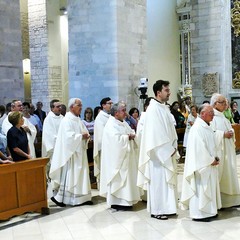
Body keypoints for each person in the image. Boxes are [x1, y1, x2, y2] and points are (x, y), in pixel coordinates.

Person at [138, 80, 179, 220]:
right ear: (158, 92)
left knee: (166, 182)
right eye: (166, 90)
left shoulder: (163, 107)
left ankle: (168, 207)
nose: (169, 92)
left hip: (168, 151)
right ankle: (158, 210)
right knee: (158, 182)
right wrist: (168, 149)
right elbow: (156, 134)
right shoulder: (153, 109)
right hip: (158, 155)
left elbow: (170, 129)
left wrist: (173, 146)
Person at [181, 104, 221, 222]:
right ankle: (200, 214)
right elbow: (198, 150)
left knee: (209, 188)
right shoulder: (197, 128)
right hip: (201, 166)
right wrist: (210, 160)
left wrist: (215, 157)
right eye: (210, 113)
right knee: (201, 188)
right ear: (202, 113)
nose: (213, 115)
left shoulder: (206, 126)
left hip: (210, 164)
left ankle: (209, 211)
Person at [49, 98, 92, 207]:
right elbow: (68, 138)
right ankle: (68, 199)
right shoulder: (67, 120)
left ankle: (84, 197)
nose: (81, 107)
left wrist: (86, 136)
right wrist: (81, 136)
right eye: (79, 105)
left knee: (81, 174)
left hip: (80, 152)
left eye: (81, 105)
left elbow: (84, 131)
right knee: (71, 175)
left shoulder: (77, 119)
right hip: (71, 154)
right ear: (72, 106)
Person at [100, 101, 141, 210]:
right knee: (119, 180)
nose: (125, 112)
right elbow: (114, 141)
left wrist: (132, 135)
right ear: (116, 113)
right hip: (117, 160)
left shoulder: (123, 122)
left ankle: (127, 200)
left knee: (128, 180)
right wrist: (126, 137)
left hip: (127, 157)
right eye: (123, 110)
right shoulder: (111, 125)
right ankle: (118, 202)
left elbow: (131, 131)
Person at [210, 94, 240, 208]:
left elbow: (228, 127)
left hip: (227, 150)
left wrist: (231, 131)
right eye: (221, 102)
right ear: (215, 103)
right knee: (220, 175)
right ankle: (219, 200)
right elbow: (210, 133)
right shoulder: (212, 116)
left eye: (225, 102)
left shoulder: (222, 116)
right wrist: (223, 134)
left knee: (229, 173)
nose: (224, 104)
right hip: (219, 151)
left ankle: (229, 200)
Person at [42, 99, 64, 180]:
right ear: (52, 108)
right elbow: (50, 137)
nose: (60, 108)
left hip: (62, 149)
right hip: (53, 150)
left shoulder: (62, 118)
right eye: (58, 106)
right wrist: (62, 139)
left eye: (60, 106)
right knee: (55, 171)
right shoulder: (48, 119)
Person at [93, 97, 112, 187]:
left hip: (112, 147)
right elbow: (101, 135)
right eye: (109, 103)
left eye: (112, 103)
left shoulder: (111, 116)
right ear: (103, 105)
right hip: (104, 148)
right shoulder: (100, 117)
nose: (111, 105)